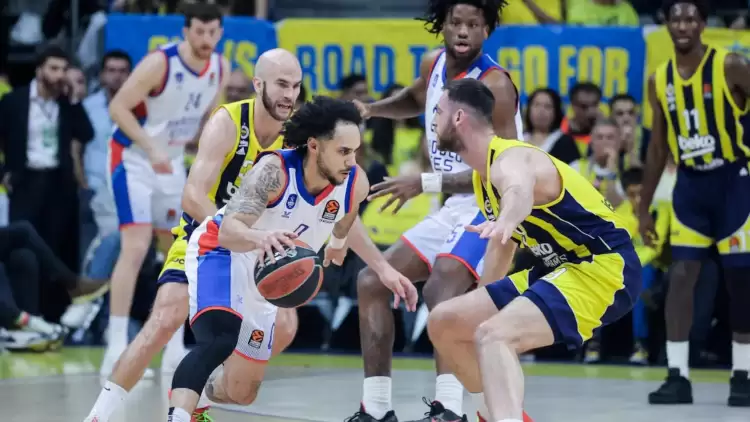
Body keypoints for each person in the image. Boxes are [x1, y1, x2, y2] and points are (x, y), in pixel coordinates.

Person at [166, 96, 417, 422]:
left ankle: (200, 392)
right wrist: (260, 237)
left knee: (242, 392)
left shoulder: (354, 182)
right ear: (314, 145)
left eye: (355, 151)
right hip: (224, 252)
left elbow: (346, 217)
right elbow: (229, 231)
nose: (351, 161)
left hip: (267, 272)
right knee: (220, 339)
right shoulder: (273, 172)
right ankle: (178, 416)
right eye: (343, 151)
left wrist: (365, 258)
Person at [84, 48, 301, 422]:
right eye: (282, 84)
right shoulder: (229, 121)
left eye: (296, 86)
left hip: (254, 245)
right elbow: (192, 196)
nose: (289, 95)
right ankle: (98, 416)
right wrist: (232, 231)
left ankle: (200, 393)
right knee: (164, 319)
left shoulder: (296, 137)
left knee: (284, 327)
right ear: (258, 84)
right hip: (206, 234)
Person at [425, 78, 640, 422]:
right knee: (444, 322)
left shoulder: (511, 158)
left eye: (438, 111)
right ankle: (494, 412)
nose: (432, 120)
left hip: (603, 265)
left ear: (459, 118)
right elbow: (502, 245)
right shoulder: (482, 177)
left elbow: (518, 191)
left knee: (494, 336)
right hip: (558, 269)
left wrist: (508, 218)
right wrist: (483, 298)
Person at [352, 1, 523, 420]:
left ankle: (448, 409)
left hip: (490, 206)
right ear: (442, 25)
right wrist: (373, 109)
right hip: (451, 204)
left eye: (473, 24)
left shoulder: (495, 85)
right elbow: (416, 97)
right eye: (456, 22)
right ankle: (376, 408)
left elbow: (507, 169)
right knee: (373, 281)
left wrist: (425, 182)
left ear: (487, 30)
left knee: (441, 289)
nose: (463, 31)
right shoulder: (434, 65)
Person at [100, 2, 230, 376]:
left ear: (220, 33)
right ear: (186, 31)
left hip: (172, 163)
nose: (206, 39)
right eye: (199, 32)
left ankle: (173, 346)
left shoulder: (220, 68)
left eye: (212, 32)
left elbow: (212, 121)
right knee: (136, 245)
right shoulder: (161, 63)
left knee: (178, 248)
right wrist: (151, 146)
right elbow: (118, 107)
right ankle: (116, 347)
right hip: (133, 158)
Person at [641, 0, 750, 407]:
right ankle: (677, 375)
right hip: (690, 185)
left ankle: (743, 373)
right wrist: (643, 208)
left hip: (733, 182)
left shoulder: (731, 65)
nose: (683, 25)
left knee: (741, 281)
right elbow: (657, 148)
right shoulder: (659, 80)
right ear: (667, 25)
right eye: (676, 18)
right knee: (681, 276)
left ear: (703, 24)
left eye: (691, 18)